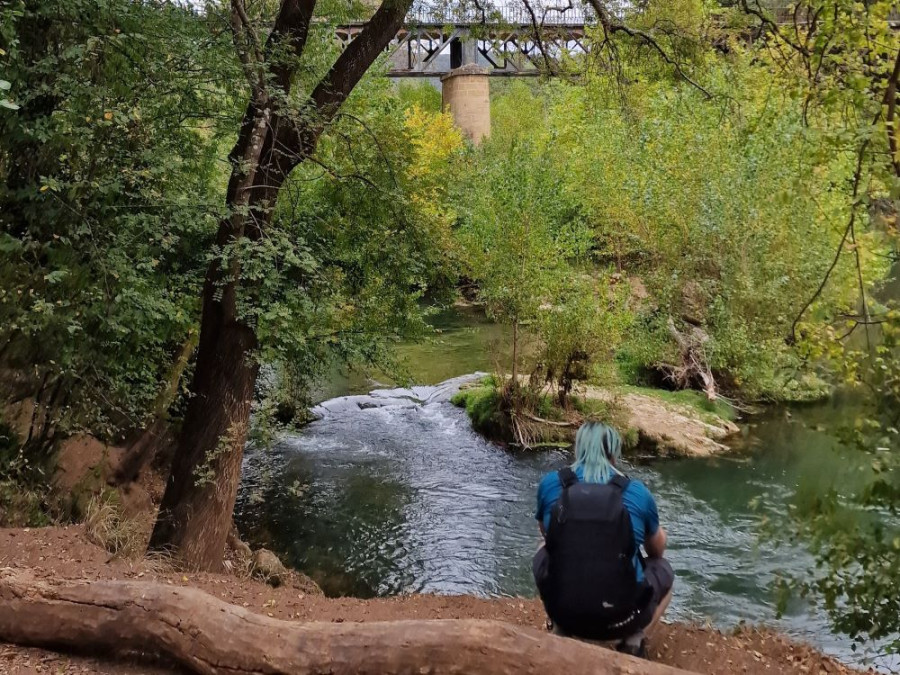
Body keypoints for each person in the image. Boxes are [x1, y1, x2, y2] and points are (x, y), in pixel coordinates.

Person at [532, 421, 673, 657]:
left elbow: (548, 536)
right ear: (614, 453)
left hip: (563, 610)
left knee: (544, 549)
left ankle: (560, 626)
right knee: (664, 569)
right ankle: (634, 637)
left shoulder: (550, 485)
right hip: (621, 618)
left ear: (578, 449)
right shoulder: (637, 492)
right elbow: (657, 552)